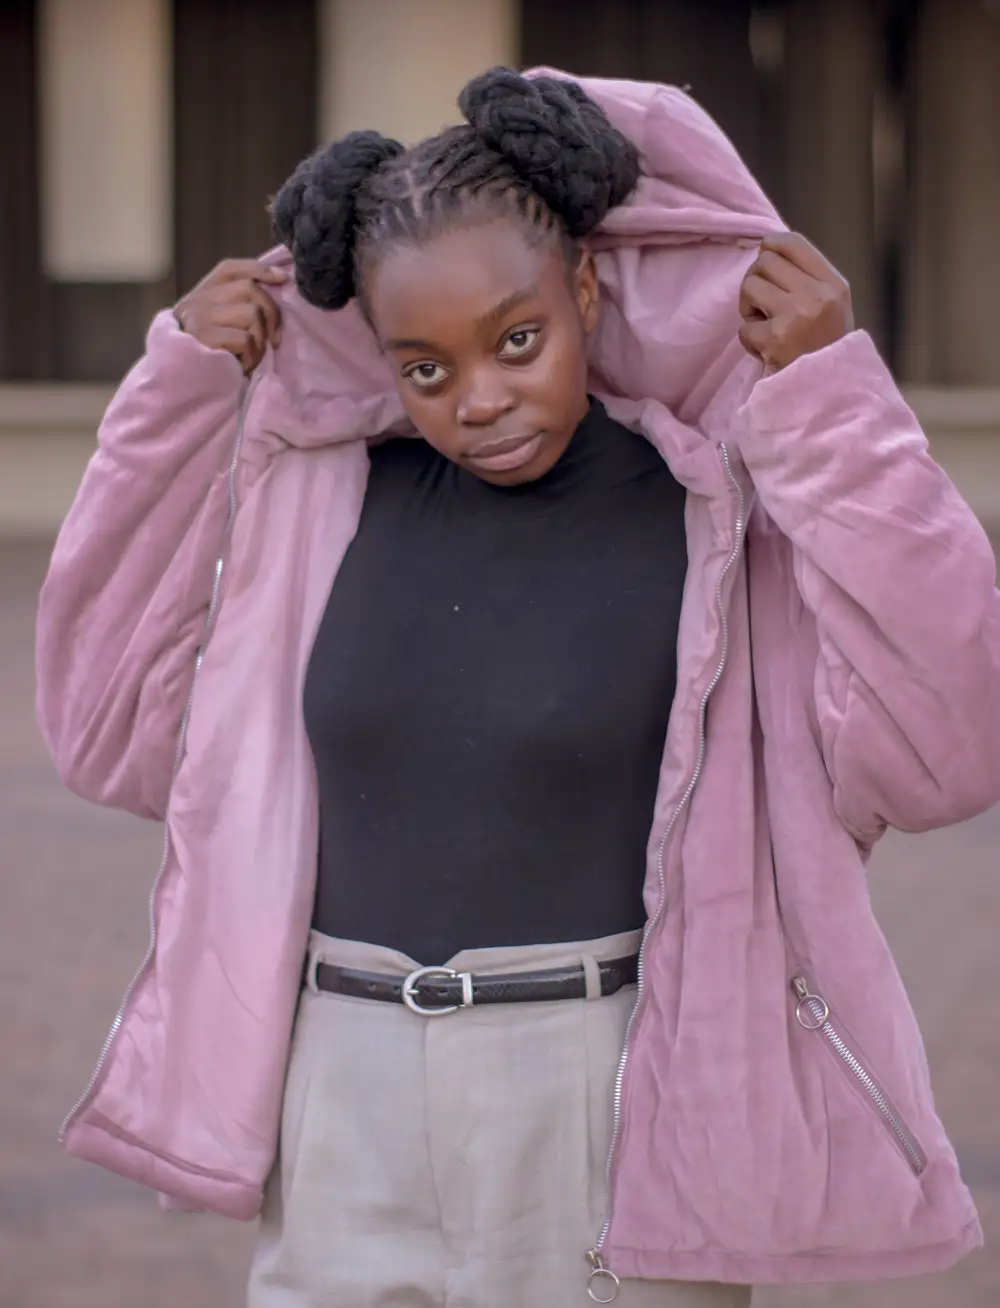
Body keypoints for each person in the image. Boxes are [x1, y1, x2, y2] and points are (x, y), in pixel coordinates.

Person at [36, 66, 1000, 1308]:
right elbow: (103, 728)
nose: (480, 400)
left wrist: (828, 400)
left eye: (516, 340)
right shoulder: (323, 502)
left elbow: (947, 747)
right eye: (425, 369)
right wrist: (172, 400)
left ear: (584, 290)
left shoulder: (712, 511)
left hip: (603, 1104)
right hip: (338, 1096)